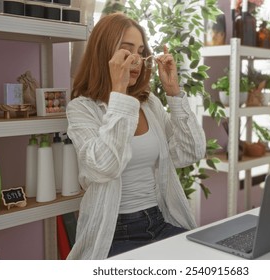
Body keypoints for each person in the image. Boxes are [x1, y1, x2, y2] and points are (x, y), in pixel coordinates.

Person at [65, 12, 206, 260]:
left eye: (141, 51)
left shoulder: (148, 103)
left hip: (160, 220)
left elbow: (190, 152)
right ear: (104, 53)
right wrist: (118, 92)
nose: (137, 59)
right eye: (126, 50)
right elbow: (104, 168)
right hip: (114, 233)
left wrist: (173, 93)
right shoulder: (82, 108)